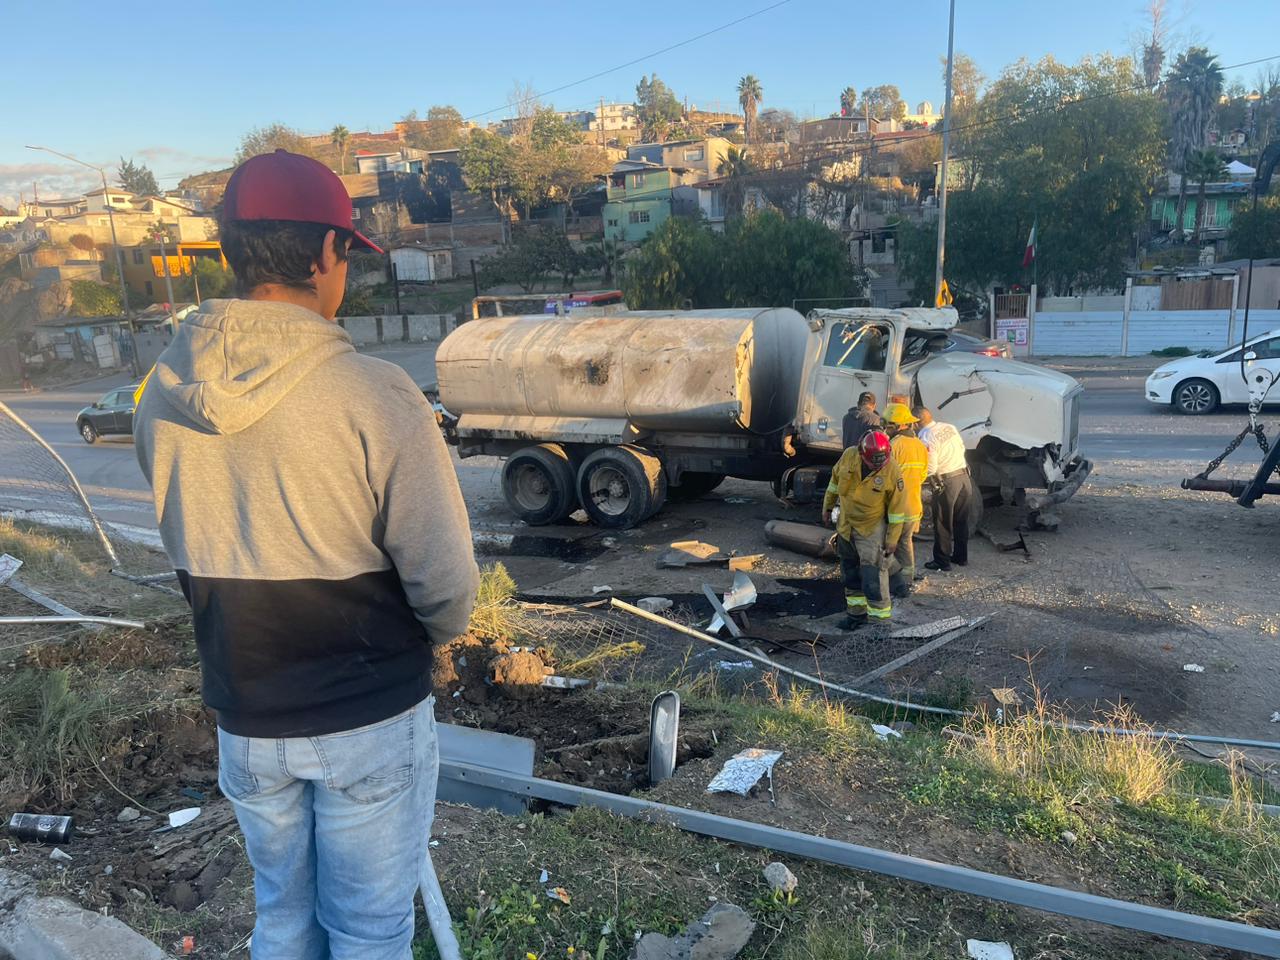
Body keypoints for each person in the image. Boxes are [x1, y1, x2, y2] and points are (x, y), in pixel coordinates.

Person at [133, 149, 480, 960]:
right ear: (326, 254)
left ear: (229, 252)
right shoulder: (375, 393)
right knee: (366, 931)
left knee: (284, 921)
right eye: (346, 256)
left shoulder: (161, 395)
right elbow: (448, 590)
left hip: (246, 715)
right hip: (367, 713)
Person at [822, 429, 910, 626]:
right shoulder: (849, 456)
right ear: (862, 454)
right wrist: (827, 506)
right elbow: (834, 483)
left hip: (871, 528)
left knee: (873, 579)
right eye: (873, 463)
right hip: (846, 525)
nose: (878, 467)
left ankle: (880, 624)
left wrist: (892, 540)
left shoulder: (892, 471)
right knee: (850, 573)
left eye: (882, 463)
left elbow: (897, 511)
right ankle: (856, 615)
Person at [880, 402, 929, 597]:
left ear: (901, 425)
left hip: (896, 507)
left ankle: (896, 582)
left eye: (889, 425)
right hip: (914, 505)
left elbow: (884, 477)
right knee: (905, 543)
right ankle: (907, 579)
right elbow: (924, 475)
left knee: (889, 543)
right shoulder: (919, 445)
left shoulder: (894, 445)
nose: (886, 429)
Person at [917, 407, 971, 572]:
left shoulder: (925, 436)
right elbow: (962, 448)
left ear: (917, 422)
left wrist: (918, 478)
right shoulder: (949, 427)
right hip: (964, 478)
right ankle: (961, 557)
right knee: (961, 520)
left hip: (947, 482)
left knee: (942, 522)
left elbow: (931, 467)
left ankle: (942, 561)